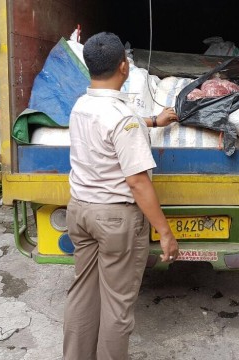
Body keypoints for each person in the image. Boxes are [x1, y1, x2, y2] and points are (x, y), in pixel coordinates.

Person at [63, 32, 180, 360]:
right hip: (115, 219)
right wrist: (165, 232)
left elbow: (111, 127)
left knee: (82, 296)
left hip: (80, 212)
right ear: (124, 67)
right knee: (117, 308)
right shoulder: (122, 118)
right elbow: (138, 182)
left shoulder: (81, 105)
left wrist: (153, 121)